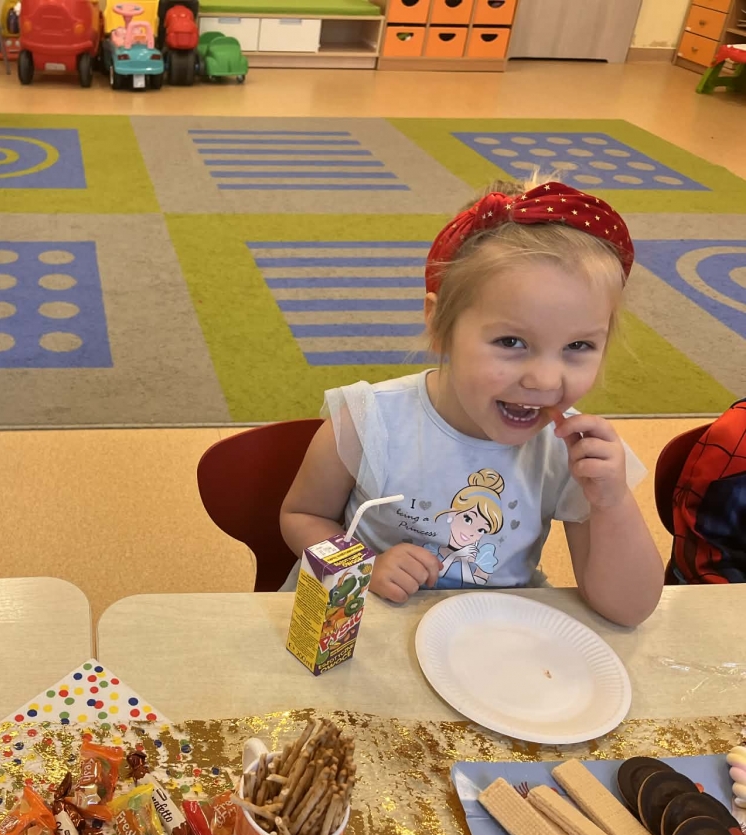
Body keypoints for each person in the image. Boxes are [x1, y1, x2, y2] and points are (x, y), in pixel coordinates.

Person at [280, 177, 662, 626]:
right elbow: (301, 515)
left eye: (578, 346)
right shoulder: (368, 422)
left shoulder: (570, 452)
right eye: (511, 341)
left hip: (494, 641)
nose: (544, 380)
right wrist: (362, 565)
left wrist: (612, 502)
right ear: (439, 324)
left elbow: (628, 609)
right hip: (367, 624)